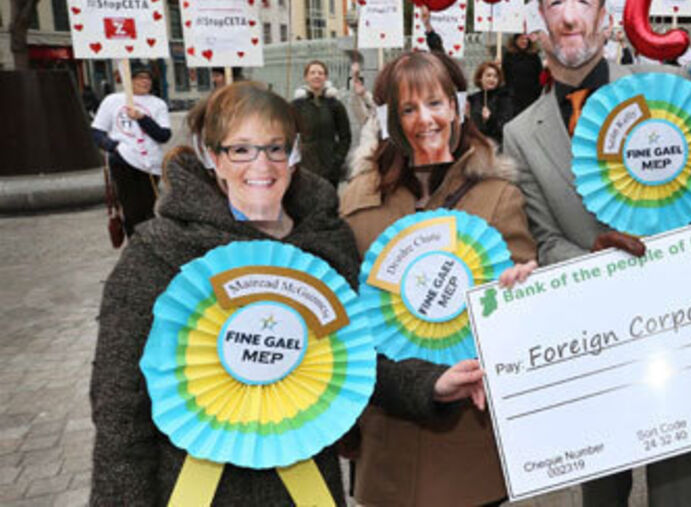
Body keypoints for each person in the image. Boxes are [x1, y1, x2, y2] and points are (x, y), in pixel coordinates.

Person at [92, 82, 472, 504]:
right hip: (197, 490)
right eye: (241, 149)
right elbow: (119, 408)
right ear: (212, 156)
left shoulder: (323, 242)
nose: (262, 164)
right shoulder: (160, 252)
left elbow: (359, 359)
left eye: (275, 148)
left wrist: (432, 384)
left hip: (305, 488)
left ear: (293, 156)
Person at [503, 0, 691, 506]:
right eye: (556, 2)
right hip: (593, 349)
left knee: (680, 498)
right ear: (539, 21)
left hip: (681, 337)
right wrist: (597, 263)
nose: (570, 16)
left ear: (606, 18)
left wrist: (679, 260)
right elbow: (545, 240)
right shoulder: (520, 134)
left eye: (583, 1)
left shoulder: (668, 88)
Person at [341, 50, 537, 507]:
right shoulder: (357, 203)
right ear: (387, 120)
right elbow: (345, 326)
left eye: (435, 103)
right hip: (389, 444)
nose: (425, 120)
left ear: (458, 107)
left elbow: (521, 323)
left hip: (470, 446)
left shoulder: (498, 197)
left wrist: (523, 291)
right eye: (407, 108)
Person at [91, 63, 171, 237]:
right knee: (131, 209)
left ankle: (151, 243)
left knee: (148, 208)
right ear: (128, 80)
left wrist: (143, 119)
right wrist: (114, 147)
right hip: (123, 161)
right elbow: (97, 132)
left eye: (148, 78)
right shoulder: (112, 101)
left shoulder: (158, 104)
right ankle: (135, 243)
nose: (145, 81)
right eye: (139, 78)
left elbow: (164, 135)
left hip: (150, 163)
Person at [292, 59, 351, 187]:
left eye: (320, 73)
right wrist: (295, 161)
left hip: (330, 168)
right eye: (312, 73)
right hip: (305, 168)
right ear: (306, 77)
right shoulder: (297, 105)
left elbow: (345, 136)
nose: (317, 76)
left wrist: (338, 159)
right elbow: (290, 135)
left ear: (326, 77)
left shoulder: (335, 105)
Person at [468, 60, 515, 146]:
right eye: (488, 75)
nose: (492, 79)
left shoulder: (504, 98)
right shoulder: (473, 99)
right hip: (476, 142)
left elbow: (504, 126)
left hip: (496, 143)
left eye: (495, 76)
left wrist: (490, 119)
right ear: (480, 78)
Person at [502, 32, 544, 115]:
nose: (524, 41)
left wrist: (538, 91)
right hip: (513, 96)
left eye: (526, 39)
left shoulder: (534, 56)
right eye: (521, 38)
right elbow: (505, 75)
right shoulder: (509, 56)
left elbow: (540, 75)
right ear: (515, 40)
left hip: (531, 96)